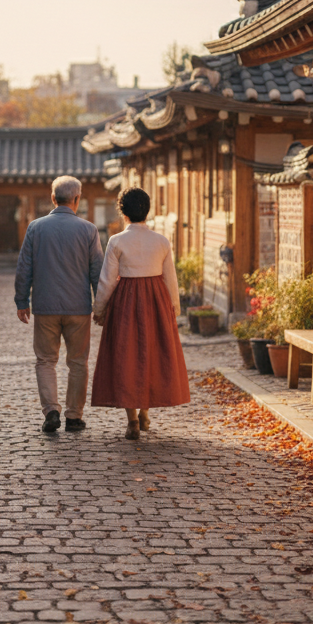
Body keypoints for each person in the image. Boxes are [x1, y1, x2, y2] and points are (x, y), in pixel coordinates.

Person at [91, 187, 190, 439]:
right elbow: (171, 280)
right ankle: (145, 412)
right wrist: (174, 309)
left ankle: (132, 420)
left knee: (127, 356)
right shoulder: (161, 241)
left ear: (123, 213)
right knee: (150, 353)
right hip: (156, 300)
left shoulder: (116, 241)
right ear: (147, 210)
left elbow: (107, 281)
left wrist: (100, 309)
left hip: (126, 300)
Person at [14, 175, 104, 434]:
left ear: (53, 198)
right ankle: (74, 417)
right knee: (78, 362)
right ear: (78, 199)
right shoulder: (88, 230)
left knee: (45, 360)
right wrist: (100, 306)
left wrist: (22, 300)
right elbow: (97, 272)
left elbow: (24, 268)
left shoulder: (36, 227)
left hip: (45, 306)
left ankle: (51, 411)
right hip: (78, 307)